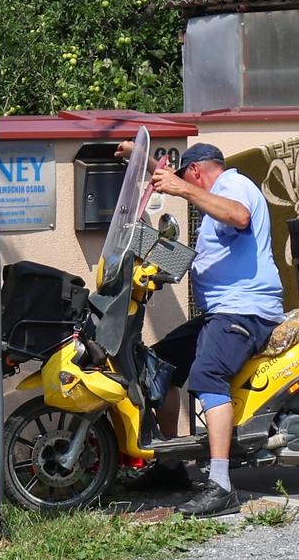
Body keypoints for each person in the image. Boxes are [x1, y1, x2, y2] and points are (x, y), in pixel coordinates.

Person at [116, 139, 284, 517]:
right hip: (220, 313)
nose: (185, 190)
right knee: (158, 364)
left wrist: (185, 189)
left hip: (245, 312)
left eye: (186, 181)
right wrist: (137, 162)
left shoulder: (232, 185)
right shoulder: (211, 203)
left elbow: (240, 216)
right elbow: (188, 244)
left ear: (196, 171)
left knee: (208, 375)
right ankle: (173, 466)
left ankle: (221, 484)